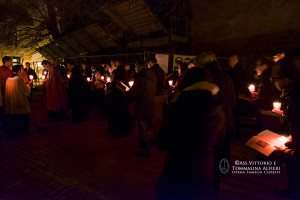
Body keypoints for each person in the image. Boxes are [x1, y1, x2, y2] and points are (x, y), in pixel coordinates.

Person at [156, 67, 226, 200]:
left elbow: (163, 142)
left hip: (178, 168)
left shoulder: (178, 107)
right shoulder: (218, 110)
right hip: (204, 168)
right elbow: (219, 141)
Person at [271, 49, 300, 199]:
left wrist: (290, 153)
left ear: (287, 80)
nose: (273, 81)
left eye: (274, 78)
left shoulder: (297, 98)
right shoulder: (291, 93)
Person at [126, 60, 157, 156]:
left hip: (141, 105)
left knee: (141, 128)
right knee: (146, 127)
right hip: (149, 103)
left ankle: (145, 149)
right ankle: (146, 146)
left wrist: (128, 92)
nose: (135, 69)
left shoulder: (141, 77)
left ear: (139, 67)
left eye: (136, 67)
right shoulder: (152, 76)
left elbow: (135, 92)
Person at [5, 65, 32, 137]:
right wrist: (28, 85)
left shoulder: (8, 79)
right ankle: (22, 131)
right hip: (19, 102)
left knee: (14, 119)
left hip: (11, 103)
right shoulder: (20, 79)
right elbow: (25, 91)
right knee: (21, 118)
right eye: (21, 70)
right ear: (19, 71)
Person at [108, 58, 131, 136]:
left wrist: (109, 85)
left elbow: (118, 82)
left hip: (118, 96)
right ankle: (122, 129)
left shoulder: (119, 70)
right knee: (121, 112)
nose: (112, 65)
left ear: (117, 62)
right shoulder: (120, 70)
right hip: (119, 95)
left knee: (118, 113)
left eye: (113, 62)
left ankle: (119, 130)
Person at [146, 56, 166, 140]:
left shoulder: (153, 71)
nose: (147, 65)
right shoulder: (161, 70)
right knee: (158, 116)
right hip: (161, 95)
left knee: (155, 117)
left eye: (147, 64)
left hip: (155, 95)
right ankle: (158, 134)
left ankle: (156, 136)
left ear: (150, 62)